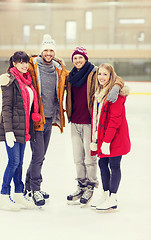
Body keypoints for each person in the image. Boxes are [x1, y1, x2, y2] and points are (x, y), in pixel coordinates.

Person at [66, 47, 124, 206]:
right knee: (78, 158)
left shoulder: (94, 72)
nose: (78, 61)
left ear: (86, 58)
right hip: (75, 121)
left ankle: (91, 185)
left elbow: (115, 77)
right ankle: (81, 185)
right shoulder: (70, 76)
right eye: (75, 58)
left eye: (80, 57)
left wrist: (117, 87)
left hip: (89, 122)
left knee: (89, 158)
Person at [24, 34, 69, 206]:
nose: (48, 53)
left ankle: (29, 186)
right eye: (46, 50)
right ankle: (36, 190)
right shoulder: (32, 66)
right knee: (37, 155)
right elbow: (16, 71)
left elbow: (75, 76)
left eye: (51, 50)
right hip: (36, 118)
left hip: (50, 118)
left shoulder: (59, 69)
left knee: (41, 156)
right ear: (41, 51)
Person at [0, 51, 41, 211]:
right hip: (12, 129)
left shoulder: (27, 80)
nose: (24, 65)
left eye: (26, 62)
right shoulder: (9, 80)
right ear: (14, 63)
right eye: (20, 62)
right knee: (13, 162)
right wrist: (8, 131)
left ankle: (18, 193)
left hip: (24, 128)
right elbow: (6, 108)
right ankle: (3, 196)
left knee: (20, 163)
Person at [90, 63, 131, 211]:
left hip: (115, 138)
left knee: (114, 165)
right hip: (104, 137)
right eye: (99, 74)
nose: (101, 77)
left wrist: (106, 141)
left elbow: (115, 120)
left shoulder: (116, 95)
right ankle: (105, 194)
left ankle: (113, 197)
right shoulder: (100, 92)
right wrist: (96, 137)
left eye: (105, 74)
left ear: (111, 76)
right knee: (102, 164)